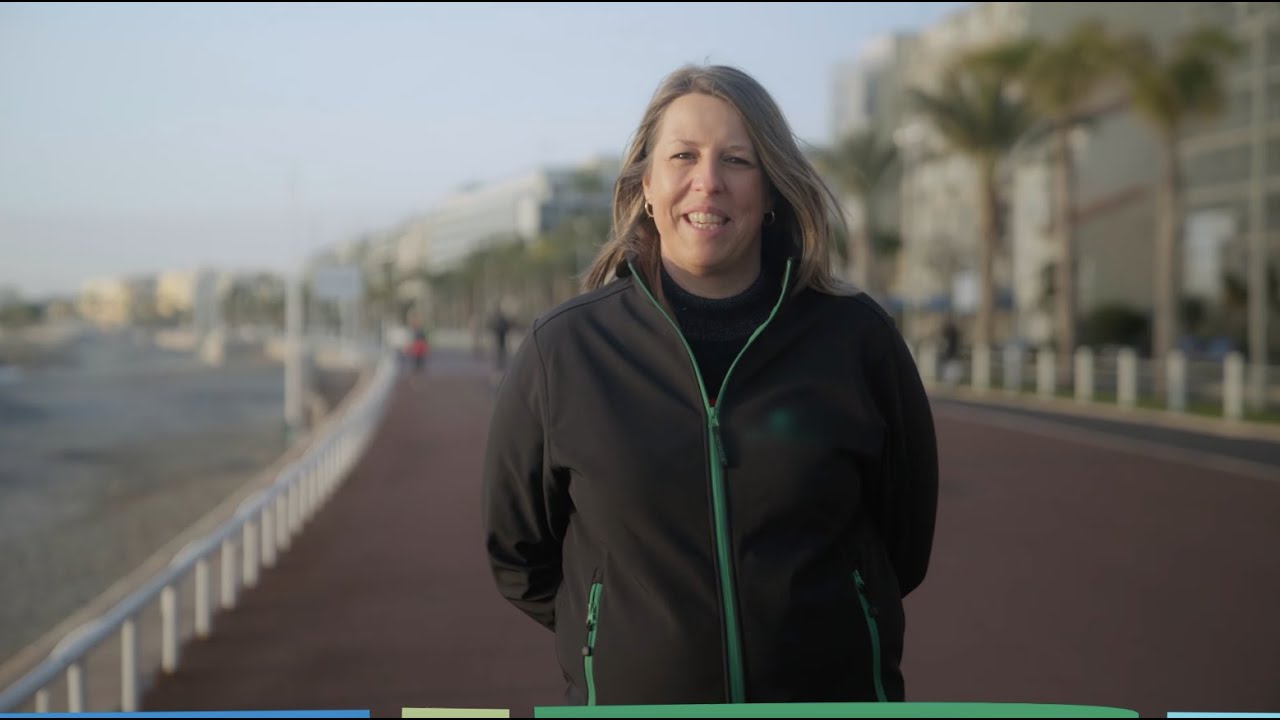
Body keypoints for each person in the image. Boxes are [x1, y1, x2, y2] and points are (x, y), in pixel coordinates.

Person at [482, 65, 938, 707]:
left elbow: (903, 544)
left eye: (736, 160)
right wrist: (610, 629)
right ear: (646, 186)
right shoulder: (563, 351)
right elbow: (518, 553)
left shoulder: (857, 340)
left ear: (773, 186)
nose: (709, 182)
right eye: (683, 157)